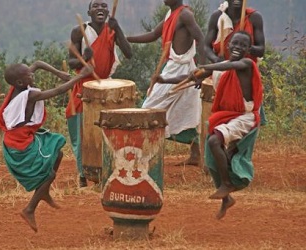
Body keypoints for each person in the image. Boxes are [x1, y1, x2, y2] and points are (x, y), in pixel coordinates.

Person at [0, 60, 93, 232]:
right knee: (49, 173)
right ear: (20, 82)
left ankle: (44, 192)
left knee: (58, 153)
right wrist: (81, 76)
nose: (32, 75)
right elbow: (59, 91)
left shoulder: (19, 85)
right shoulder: (29, 95)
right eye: (29, 76)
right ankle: (29, 209)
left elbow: (37, 63)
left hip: (22, 138)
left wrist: (59, 73)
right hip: (20, 146)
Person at [189, 31, 262, 220]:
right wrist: (167, 80)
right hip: (227, 116)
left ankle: (227, 183)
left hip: (244, 117)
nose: (238, 47)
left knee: (214, 141)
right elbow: (197, 75)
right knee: (213, 154)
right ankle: (226, 197)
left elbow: (230, 65)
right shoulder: (221, 67)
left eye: (242, 45)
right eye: (234, 44)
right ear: (228, 45)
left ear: (248, 50)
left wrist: (204, 65)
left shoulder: (247, 64)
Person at [126, 0, 206, 166]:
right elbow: (154, 34)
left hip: (183, 68)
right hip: (172, 67)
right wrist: (125, 39)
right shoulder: (171, 14)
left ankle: (143, 153)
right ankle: (196, 154)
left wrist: (201, 71)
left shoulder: (185, 14)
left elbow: (201, 39)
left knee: (149, 107)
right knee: (188, 109)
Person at [67, 0, 132, 187]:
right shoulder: (78, 31)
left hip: (106, 86)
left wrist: (118, 29)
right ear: (89, 12)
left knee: (108, 132)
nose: (101, 9)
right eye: (96, 6)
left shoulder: (112, 30)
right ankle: (82, 174)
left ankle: (109, 169)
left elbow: (129, 53)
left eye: (104, 6)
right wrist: (83, 59)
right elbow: (71, 62)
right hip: (84, 87)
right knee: (82, 133)